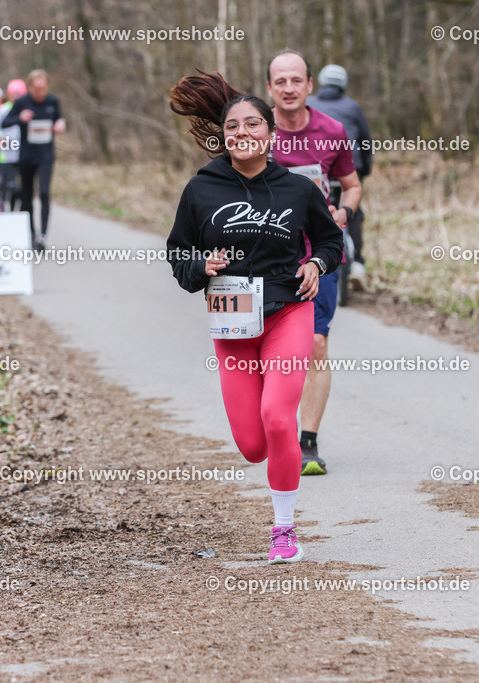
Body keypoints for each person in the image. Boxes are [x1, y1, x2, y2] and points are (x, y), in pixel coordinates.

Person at [166, 72, 343, 564]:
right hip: (234, 325)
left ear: (269, 133)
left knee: (277, 419)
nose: (242, 132)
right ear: (222, 136)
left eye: (252, 124)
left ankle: (283, 530)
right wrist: (200, 266)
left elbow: (330, 241)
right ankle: (274, 465)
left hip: (289, 311)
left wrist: (316, 264)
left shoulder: (296, 189)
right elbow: (178, 253)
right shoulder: (201, 190)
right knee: (251, 445)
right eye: (232, 126)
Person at [267, 49, 362, 477]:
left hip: (319, 254)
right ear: (270, 88)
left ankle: (308, 442)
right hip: (266, 256)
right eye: (279, 81)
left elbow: (352, 185)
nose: (288, 88)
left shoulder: (332, 130)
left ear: (310, 85)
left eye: (295, 81)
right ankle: (275, 424)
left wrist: (343, 213)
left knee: (316, 344)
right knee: (271, 349)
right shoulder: (258, 130)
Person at [307, 64, 372, 290]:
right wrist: (364, 170)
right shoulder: (352, 107)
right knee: (353, 213)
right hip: (349, 168)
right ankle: (357, 264)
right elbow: (365, 141)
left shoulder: (309, 104)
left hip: (317, 169)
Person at [0, 69, 66, 249]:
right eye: (37, 90)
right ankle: (31, 233)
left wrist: (60, 124)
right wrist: (19, 118)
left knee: (44, 193)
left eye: (43, 89)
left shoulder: (52, 101)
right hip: (27, 156)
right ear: (29, 88)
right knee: (27, 197)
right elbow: (4, 123)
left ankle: (43, 236)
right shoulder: (21, 102)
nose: (40, 93)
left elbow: (59, 118)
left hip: (46, 155)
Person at [0, 79, 27, 212]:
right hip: (5, 154)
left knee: (19, 187)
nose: (17, 96)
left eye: (20, 93)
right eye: (14, 93)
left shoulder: (26, 109)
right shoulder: (2, 109)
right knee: (5, 184)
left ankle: (16, 210)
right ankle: (0, 207)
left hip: (22, 154)